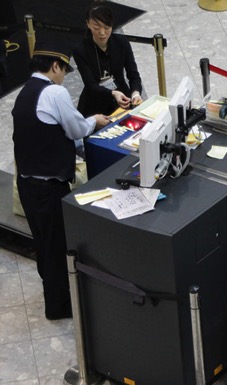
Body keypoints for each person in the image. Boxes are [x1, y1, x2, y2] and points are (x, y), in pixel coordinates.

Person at [12, 41, 110, 320]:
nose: (64, 76)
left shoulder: (24, 93)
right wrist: (94, 121)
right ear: (55, 66)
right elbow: (75, 128)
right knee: (57, 248)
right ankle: (60, 307)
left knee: (44, 245)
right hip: (48, 187)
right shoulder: (54, 91)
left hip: (28, 185)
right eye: (64, 70)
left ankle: (56, 299)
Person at [73, 1, 143, 116]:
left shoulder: (121, 42)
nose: (102, 33)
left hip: (123, 99)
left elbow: (133, 75)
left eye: (107, 27)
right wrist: (112, 93)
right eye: (96, 28)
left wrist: (135, 93)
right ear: (88, 24)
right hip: (94, 105)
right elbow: (90, 84)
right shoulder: (81, 50)